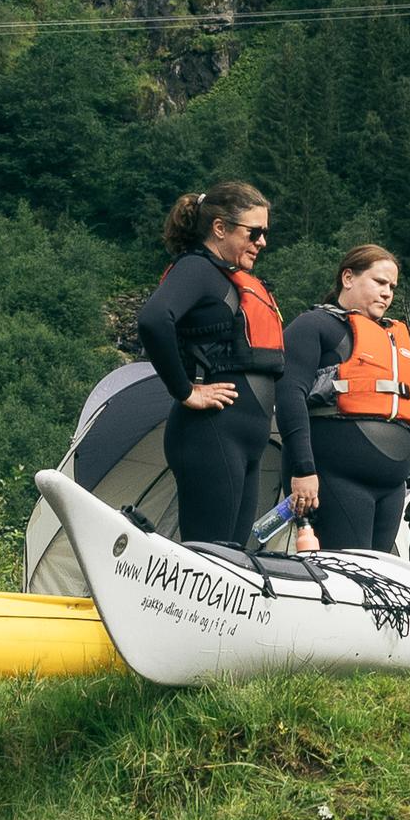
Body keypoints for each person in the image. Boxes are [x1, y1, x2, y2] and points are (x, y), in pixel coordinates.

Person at [138, 183, 317, 547]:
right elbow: (154, 319)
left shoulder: (229, 278)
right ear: (220, 228)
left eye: (265, 233)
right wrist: (185, 391)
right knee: (211, 556)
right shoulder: (196, 268)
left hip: (244, 441)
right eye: (254, 232)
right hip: (211, 433)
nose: (262, 242)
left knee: (231, 557)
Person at [284, 245, 410, 554]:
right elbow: (289, 396)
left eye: (392, 286)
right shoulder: (314, 326)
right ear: (348, 278)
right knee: (346, 579)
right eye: (379, 282)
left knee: (374, 582)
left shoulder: (395, 343)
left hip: (392, 488)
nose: (387, 293)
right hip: (336, 478)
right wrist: (302, 469)